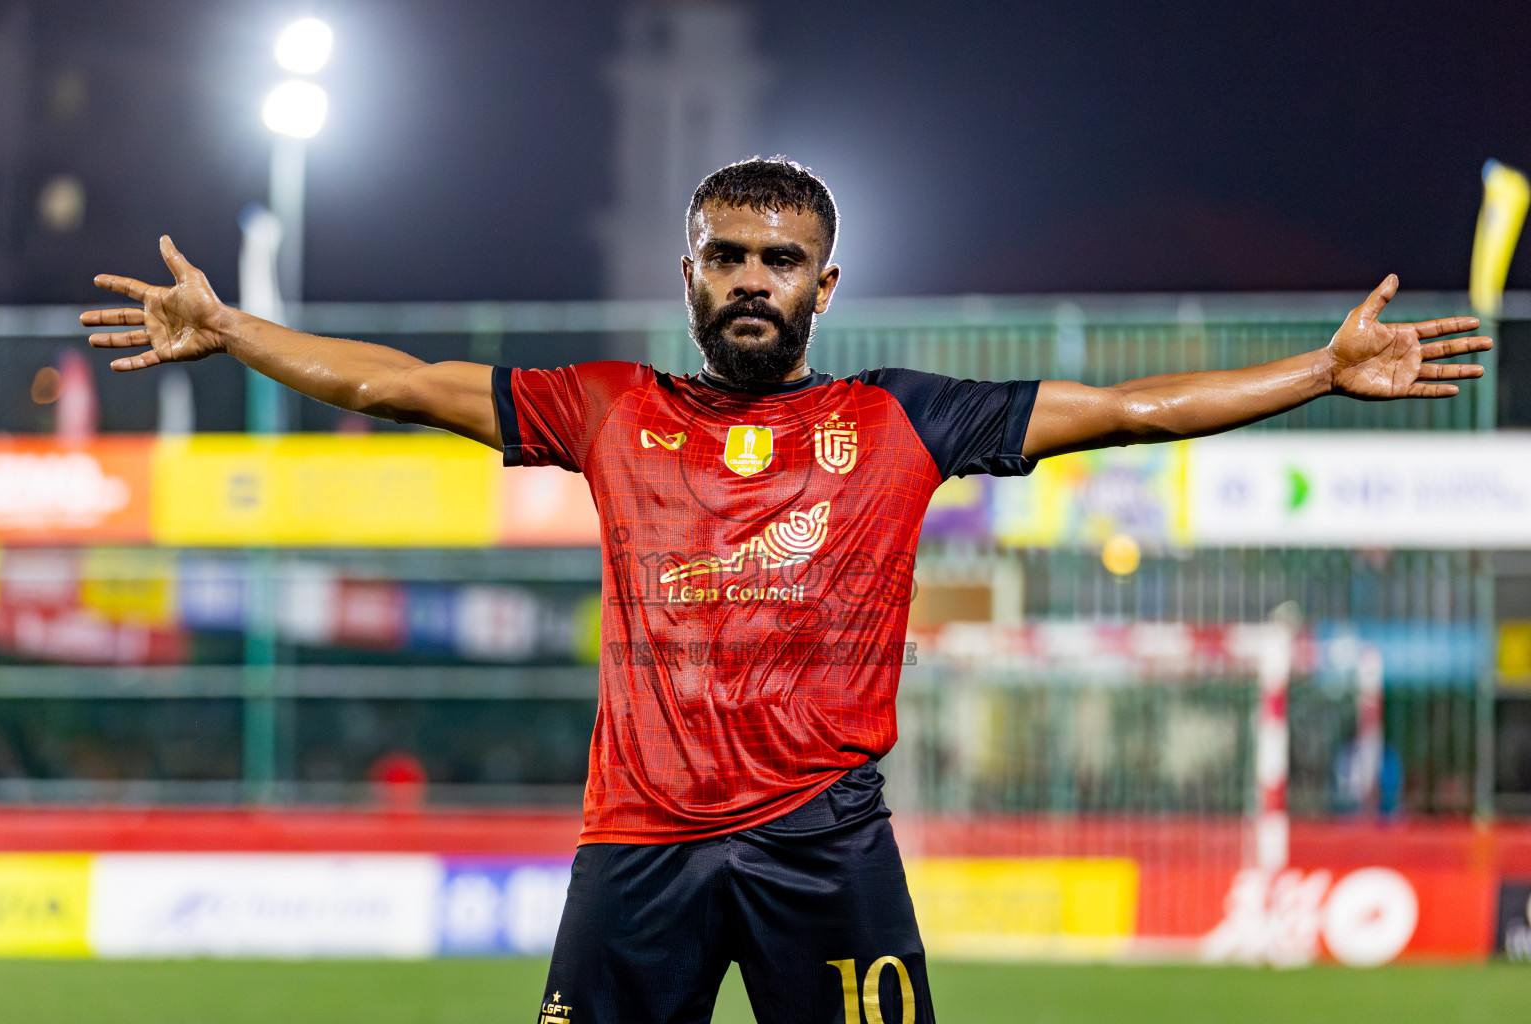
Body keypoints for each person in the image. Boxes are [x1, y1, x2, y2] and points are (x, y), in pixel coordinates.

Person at [84, 157, 1490, 1023]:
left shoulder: (902, 420)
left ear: (828, 282)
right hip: (636, 849)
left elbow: (1129, 408)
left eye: (781, 260)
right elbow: (393, 381)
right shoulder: (605, 407)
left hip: (827, 849)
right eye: (728, 257)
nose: (754, 279)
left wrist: (1317, 371)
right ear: (687, 270)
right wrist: (230, 331)